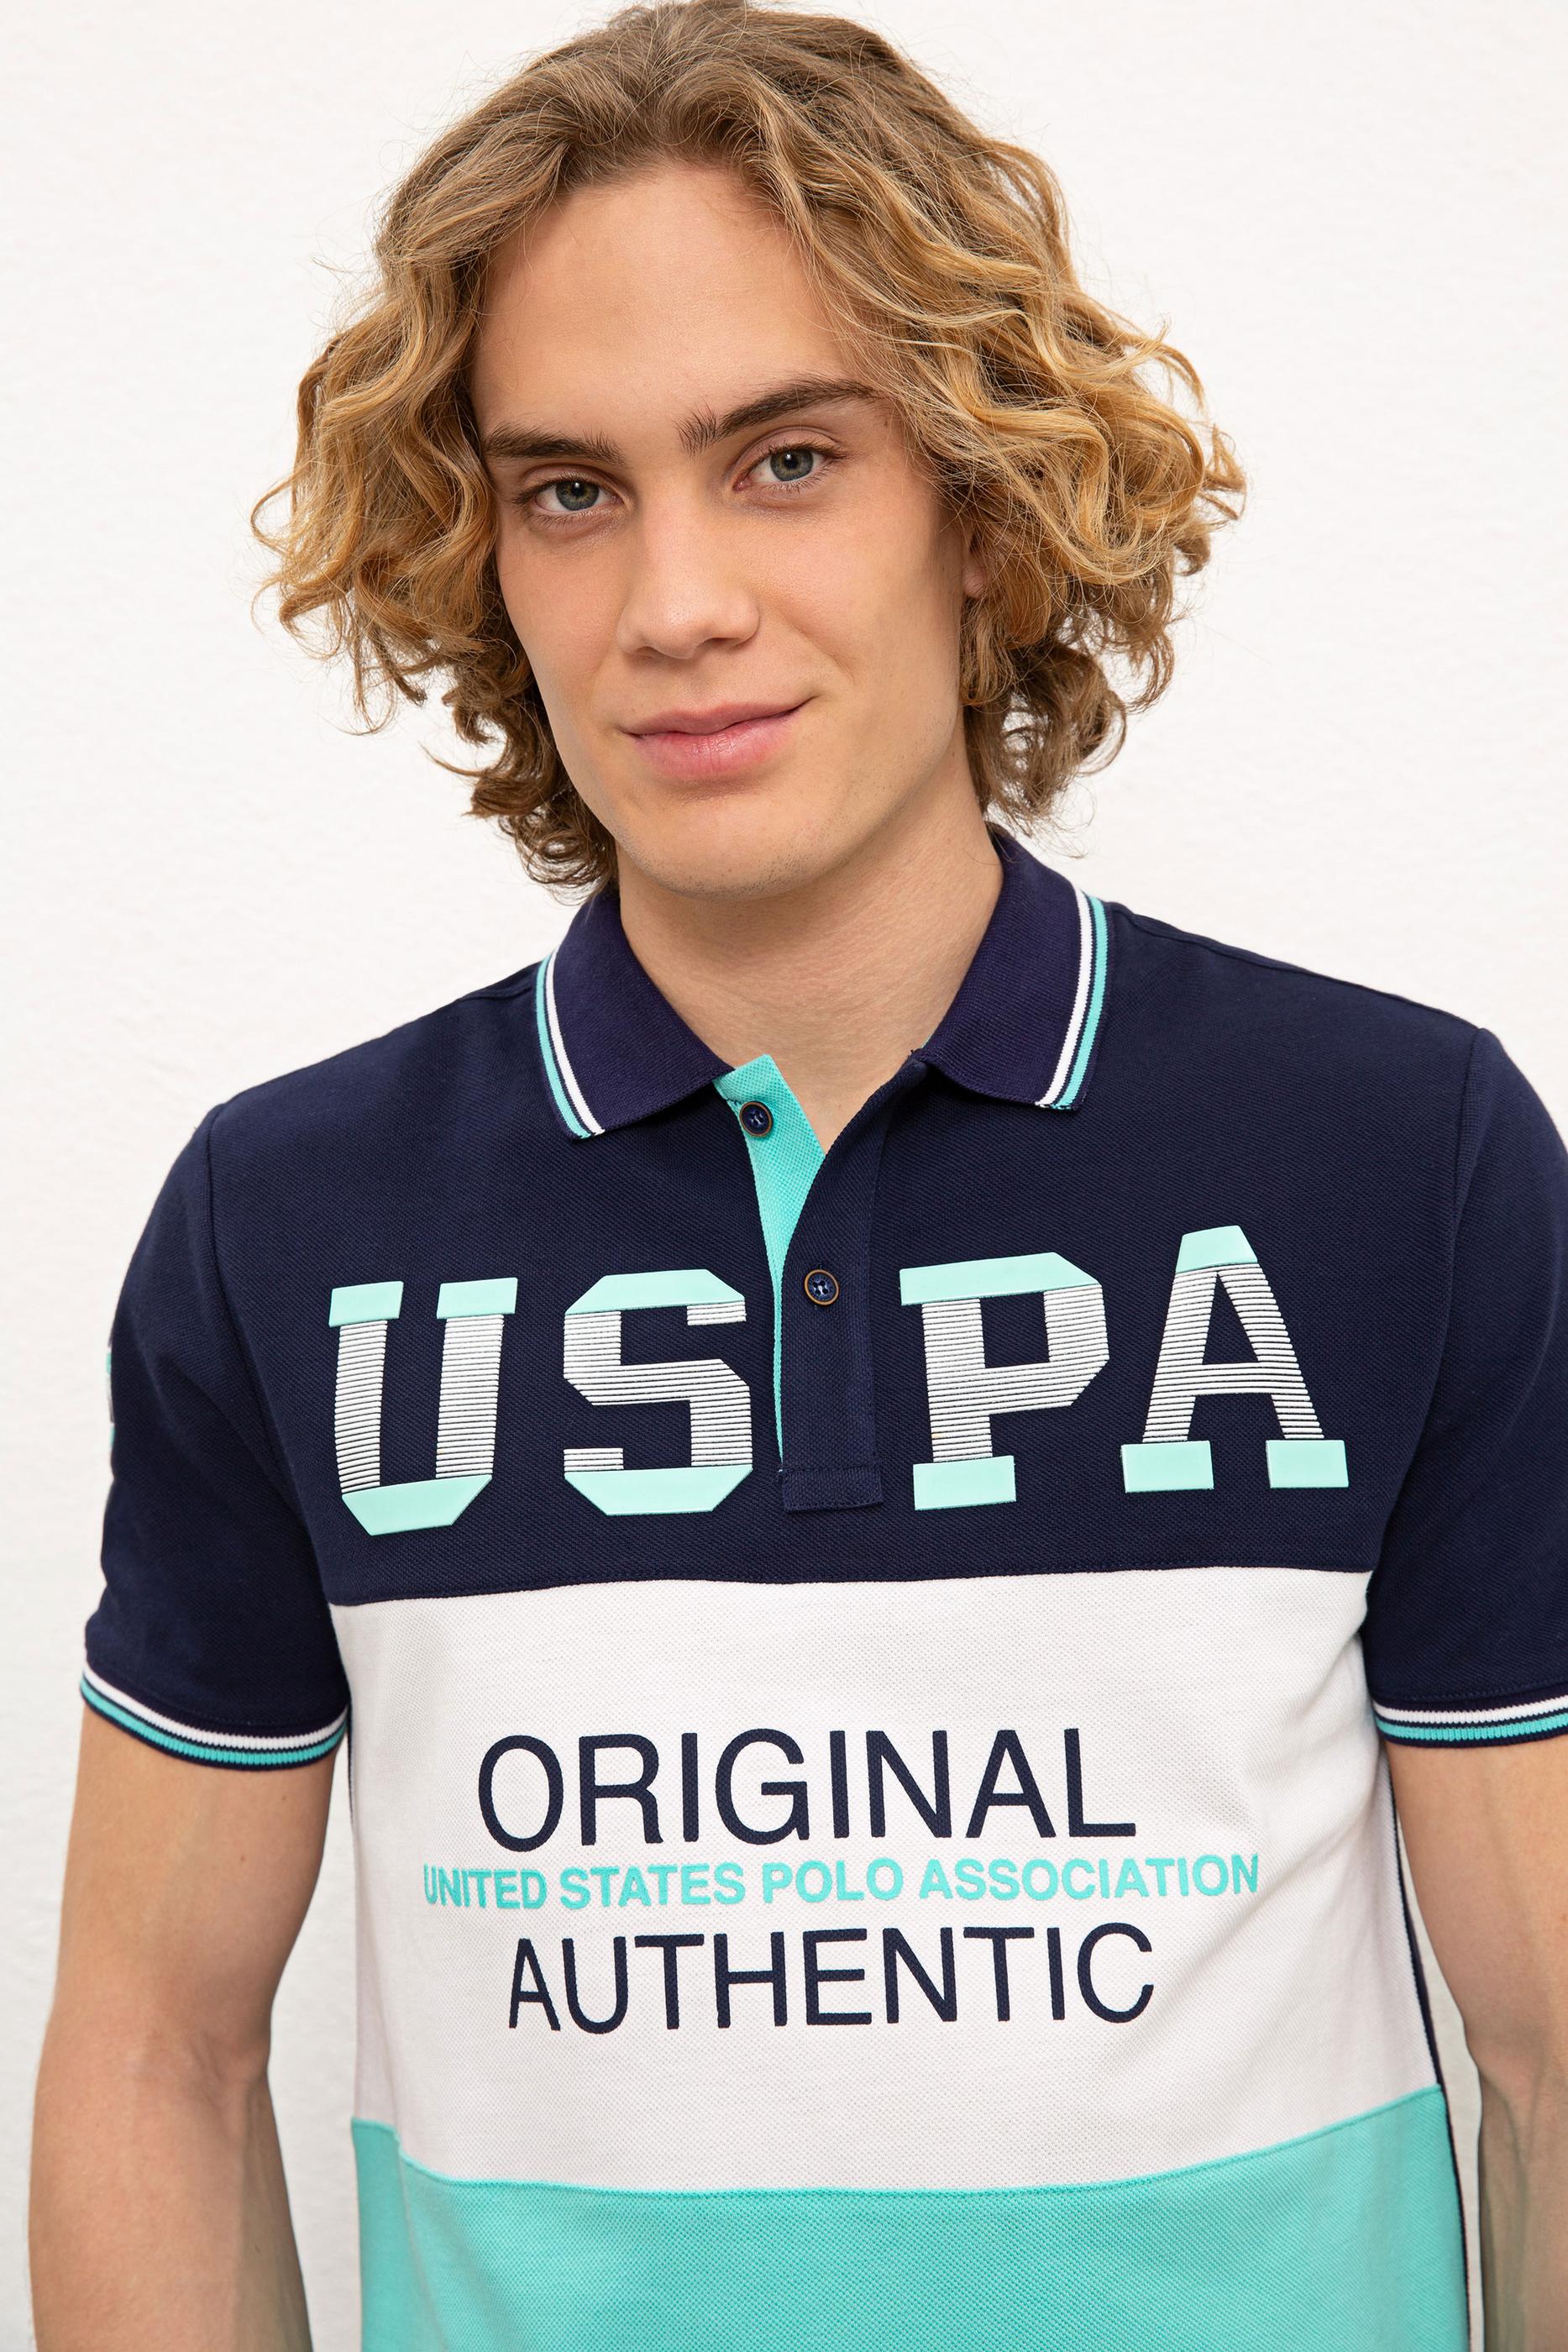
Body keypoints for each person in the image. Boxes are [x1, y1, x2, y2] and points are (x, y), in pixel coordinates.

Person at [29, 1, 1568, 2344]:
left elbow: (1550, 2060)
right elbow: (155, 2053)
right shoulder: (288, 1221)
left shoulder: (1398, 1155)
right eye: (570, 490)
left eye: (784, 460)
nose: (673, 606)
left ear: (982, 501)